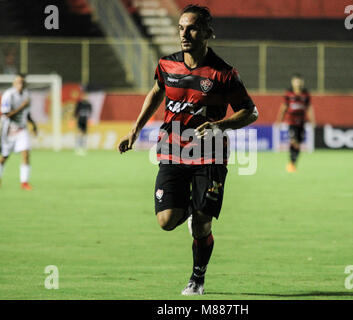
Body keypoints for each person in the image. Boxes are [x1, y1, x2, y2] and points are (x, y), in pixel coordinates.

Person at [117, 5, 258, 295]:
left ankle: (197, 277)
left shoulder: (224, 73)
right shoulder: (167, 65)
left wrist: (220, 126)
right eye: (181, 28)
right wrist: (136, 128)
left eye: (192, 28)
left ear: (208, 33)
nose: (184, 34)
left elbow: (250, 112)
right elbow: (157, 90)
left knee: (202, 224)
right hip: (172, 150)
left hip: (210, 154)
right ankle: (191, 210)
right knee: (166, 221)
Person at [0, 73, 37, 189]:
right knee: (4, 157)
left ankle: (24, 182)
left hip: (21, 129)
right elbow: (6, 114)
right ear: (14, 83)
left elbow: (27, 113)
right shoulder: (8, 95)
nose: (20, 84)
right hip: (8, 129)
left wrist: (33, 124)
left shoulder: (26, 94)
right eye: (18, 82)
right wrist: (22, 106)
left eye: (22, 82)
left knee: (26, 153)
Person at [275, 73, 315, 172]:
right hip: (291, 122)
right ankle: (291, 164)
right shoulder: (289, 94)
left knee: (298, 144)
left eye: (299, 81)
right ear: (293, 83)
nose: (298, 83)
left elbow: (309, 108)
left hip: (301, 123)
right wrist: (279, 121)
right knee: (294, 141)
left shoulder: (305, 94)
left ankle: (293, 162)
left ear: (302, 82)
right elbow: (283, 108)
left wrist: (312, 120)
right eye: (296, 81)